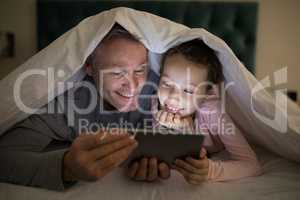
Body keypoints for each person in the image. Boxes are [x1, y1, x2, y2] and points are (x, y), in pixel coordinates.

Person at [0, 24, 170, 191]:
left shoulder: (163, 91)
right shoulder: (66, 104)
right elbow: (5, 157)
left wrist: (194, 165)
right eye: (117, 73)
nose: (133, 86)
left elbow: (187, 137)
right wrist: (66, 168)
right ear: (89, 66)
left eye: (140, 70)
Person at [152, 39, 262, 184]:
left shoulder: (213, 113)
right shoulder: (157, 104)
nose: (173, 97)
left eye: (188, 90)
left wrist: (210, 170)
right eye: (166, 83)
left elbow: (252, 165)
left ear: (206, 94)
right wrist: (168, 129)